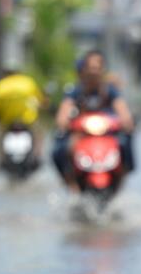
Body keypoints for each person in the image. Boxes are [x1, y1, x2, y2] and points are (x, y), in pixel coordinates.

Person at [52, 49, 135, 191]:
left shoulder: (110, 91)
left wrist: (126, 121)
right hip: (81, 134)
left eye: (97, 68)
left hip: (107, 134)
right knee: (60, 150)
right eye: (91, 67)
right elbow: (64, 111)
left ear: (103, 70)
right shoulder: (76, 91)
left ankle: (120, 180)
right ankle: (72, 185)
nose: (94, 71)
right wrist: (63, 121)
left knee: (124, 144)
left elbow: (122, 110)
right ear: (84, 69)